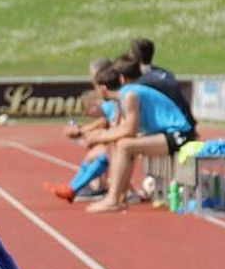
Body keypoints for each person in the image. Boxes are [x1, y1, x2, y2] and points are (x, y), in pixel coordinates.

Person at [85, 56, 193, 213]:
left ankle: (113, 199)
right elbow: (121, 130)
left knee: (125, 145)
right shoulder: (122, 97)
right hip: (163, 133)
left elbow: (130, 130)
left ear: (101, 89)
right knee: (119, 144)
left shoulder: (129, 96)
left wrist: (100, 137)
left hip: (179, 134)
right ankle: (121, 196)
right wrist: (103, 135)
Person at [45, 58, 120, 202]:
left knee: (100, 152)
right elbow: (109, 121)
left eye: (94, 76)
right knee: (95, 151)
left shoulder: (114, 98)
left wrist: (84, 131)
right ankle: (74, 188)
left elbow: (109, 122)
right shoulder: (111, 99)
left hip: (130, 137)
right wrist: (88, 132)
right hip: (119, 136)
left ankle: (84, 188)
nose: (92, 80)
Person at [129, 37, 196, 132]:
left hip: (169, 127)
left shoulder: (138, 80)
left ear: (132, 55)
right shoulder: (166, 74)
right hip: (186, 121)